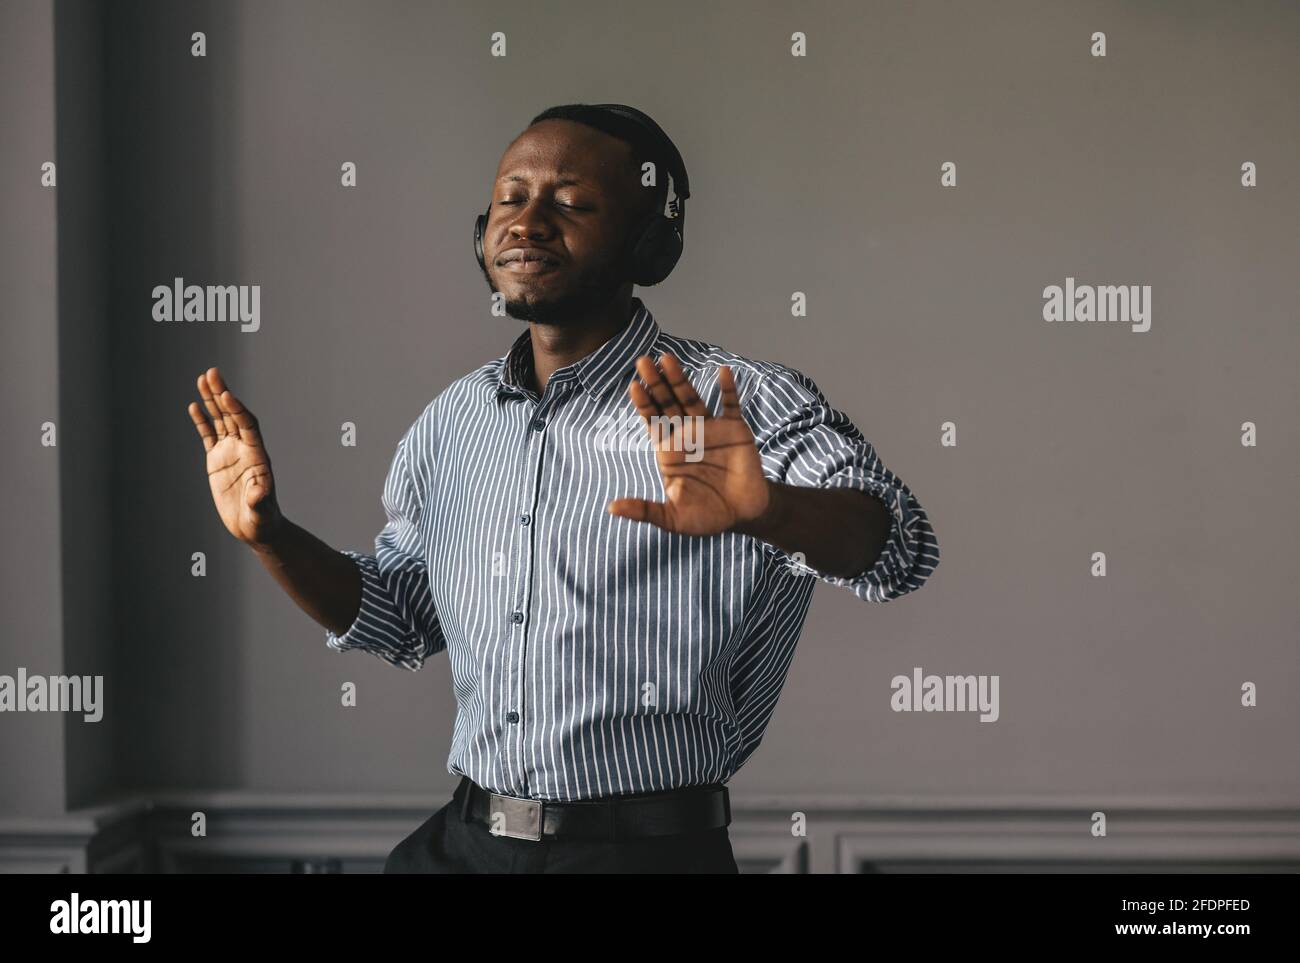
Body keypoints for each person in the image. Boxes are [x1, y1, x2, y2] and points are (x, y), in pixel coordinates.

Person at [186, 103, 940, 873]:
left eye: (572, 203)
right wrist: (271, 536)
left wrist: (770, 511)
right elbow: (398, 614)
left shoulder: (737, 399)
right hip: (464, 842)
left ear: (649, 244)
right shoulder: (454, 420)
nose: (528, 222)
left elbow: (901, 545)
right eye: (511, 198)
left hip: (643, 854)